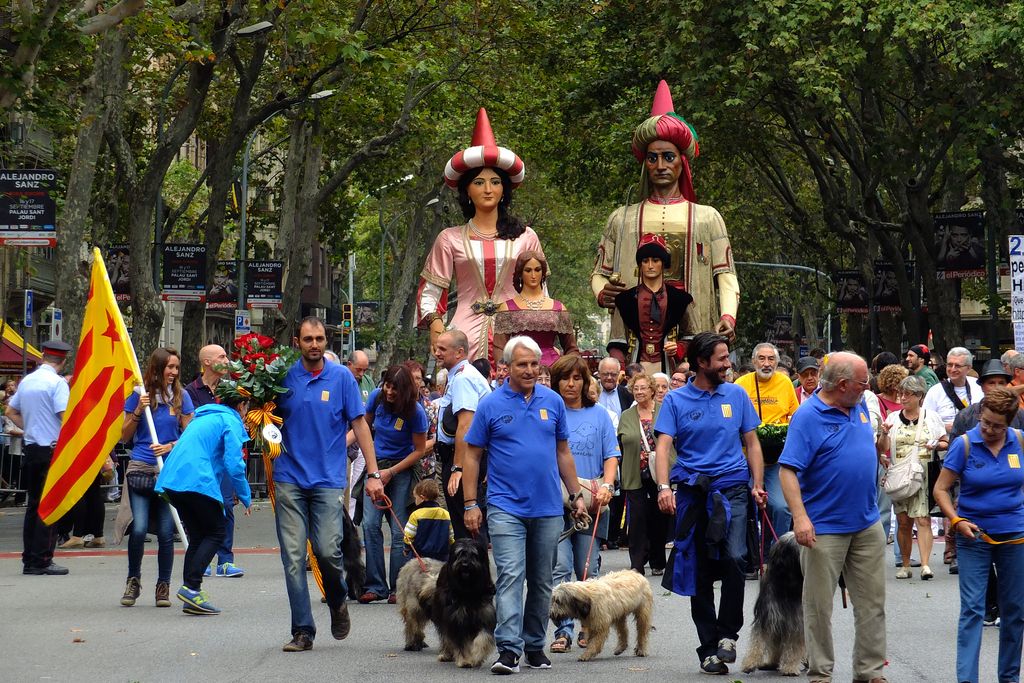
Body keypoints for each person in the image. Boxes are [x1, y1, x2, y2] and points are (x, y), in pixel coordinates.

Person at [461, 336, 588, 674]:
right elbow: (472, 455)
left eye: (535, 364)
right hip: (505, 507)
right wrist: (470, 503)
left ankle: (534, 645)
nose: (531, 370)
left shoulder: (553, 401)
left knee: (542, 580)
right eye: (523, 364)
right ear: (506, 367)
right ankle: (508, 650)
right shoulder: (490, 404)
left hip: (547, 507)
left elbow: (563, 452)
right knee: (510, 576)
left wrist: (576, 496)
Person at [593, 80, 739, 352]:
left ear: (681, 161)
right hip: (632, 334)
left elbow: (726, 275)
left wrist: (727, 317)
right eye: (652, 158)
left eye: (668, 156)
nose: (660, 165)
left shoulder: (707, 218)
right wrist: (602, 292)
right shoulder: (621, 218)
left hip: (694, 332)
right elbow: (599, 272)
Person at [654, 332, 766, 676]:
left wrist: (757, 484)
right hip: (692, 493)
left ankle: (727, 635)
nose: (728, 363)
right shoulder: (675, 401)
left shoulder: (737, 394)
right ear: (702, 363)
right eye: (721, 358)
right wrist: (663, 487)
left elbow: (752, 442)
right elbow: (662, 447)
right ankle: (708, 649)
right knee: (698, 571)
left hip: (732, 489)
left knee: (735, 558)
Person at [273, 316, 383, 653]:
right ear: (297, 342)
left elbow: (360, 426)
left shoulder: (342, 379)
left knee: (327, 552)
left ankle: (337, 601)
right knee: (293, 558)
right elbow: (264, 419)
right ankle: (303, 630)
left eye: (320, 338)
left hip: (328, 480)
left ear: (326, 341)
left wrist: (375, 474)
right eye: (308, 339)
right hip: (288, 477)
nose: (315, 344)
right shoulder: (281, 377)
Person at [778, 352, 887, 683]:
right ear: (843, 385)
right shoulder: (808, 416)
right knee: (818, 608)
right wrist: (800, 518)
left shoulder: (861, 406)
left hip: (867, 522)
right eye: (863, 381)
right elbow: (787, 470)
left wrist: (882, 442)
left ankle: (869, 673)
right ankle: (821, 674)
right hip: (824, 527)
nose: (869, 386)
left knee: (872, 605)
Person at [418, 108, 544, 363]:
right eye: (479, 182)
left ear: (504, 189)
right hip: (463, 336)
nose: (488, 189)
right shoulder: (449, 239)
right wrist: (436, 329)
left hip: (516, 333)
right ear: (467, 190)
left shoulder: (526, 237)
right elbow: (431, 292)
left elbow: (540, 291)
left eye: (495, 182)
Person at [934, 388, 1024, 683]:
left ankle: (1009, 678)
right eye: (985, 422)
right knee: (973, 610)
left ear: (1009, 423)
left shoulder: (1020, 442)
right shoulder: (964, 444)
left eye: (997, 425)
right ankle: (967, 680)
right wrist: (956, 520)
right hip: (973, 537)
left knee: (1014, 611)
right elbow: (940, 489)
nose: (988, 429)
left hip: (1015, 538)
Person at [155, 381, 252, 615]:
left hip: (173, 480)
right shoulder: (230, 420)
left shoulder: (203, 417)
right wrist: (245, 494)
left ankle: (192, 592)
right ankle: (191, 587)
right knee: (217, 531)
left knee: (198, 536)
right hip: (195, 479)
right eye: (247, 408)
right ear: (241, 406)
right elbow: (233, 463)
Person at [547, 354, 620, 654]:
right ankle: (563, 629)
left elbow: (611, 456)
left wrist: (607, 485)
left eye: (577, 378)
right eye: (565, 378)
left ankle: (589, 626)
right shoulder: (549, 412)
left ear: (585, 381)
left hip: (592, 501)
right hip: (555, 500)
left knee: (587, 569)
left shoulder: (600, 414)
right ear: (556, 382)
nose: (571, 384)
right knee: (561, 567)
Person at [115, 348, 195, 607]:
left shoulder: (181, 397)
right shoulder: (139, 395)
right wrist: (138, 410)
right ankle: (133, 580)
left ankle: (164, 585)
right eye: (169, 367)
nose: (173, 372)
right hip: (140, 468)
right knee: (138, 529)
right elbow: (124, 436)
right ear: (158, 367)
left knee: (164, 531)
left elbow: (190, 435)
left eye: (176, 368)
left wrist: (170, 446)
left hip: (167, 472)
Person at [949, 359, 1024, 626]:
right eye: (990, 382)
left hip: (1011, 509)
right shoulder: (967, 416)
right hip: (973, 501)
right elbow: (953, 462)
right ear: (982, 386)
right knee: (981, 562)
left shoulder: (1018, 417)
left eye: (1001, 382)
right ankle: (989, 604)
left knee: (1009, 566)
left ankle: (1005, 607)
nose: (995, 387)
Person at [359, 365, 428, 605]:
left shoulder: (416, 411)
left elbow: (419, 449)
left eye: (395, 389)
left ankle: (397, 587)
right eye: (387, 386)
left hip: (401, 469)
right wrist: (373, 470)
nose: (389, 392)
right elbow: (363, 428)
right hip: (375, 467)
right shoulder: (377, 398)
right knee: (369, 524)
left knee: (399, 530)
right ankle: (375, 585)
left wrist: (391, 471)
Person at [6, 339, 71, 576]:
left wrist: (31, 426)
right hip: (51, 450)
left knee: (34, 505)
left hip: (31, 447)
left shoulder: (27, 381)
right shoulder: (57, 383)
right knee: (49, 505)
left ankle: (29, 558)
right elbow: (65, 416)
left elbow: (10, 411)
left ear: (44, 356)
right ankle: (43, 558)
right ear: (63, 361)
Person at [183, 344, 245, 579]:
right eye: (222, 356)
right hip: (201, 460)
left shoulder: (231, 390)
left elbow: (238, 421)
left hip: (225, 458)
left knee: (226, 506)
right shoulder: (190, 391)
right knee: (202, 507)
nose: (227, 360)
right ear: (207, 362)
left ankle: (226, 560)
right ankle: (202, 557)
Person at [876, 375, 947, 580]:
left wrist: (935, 444)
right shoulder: (892, 419)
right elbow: (883, 448)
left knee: (923, 519)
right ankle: (905, 564)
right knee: (903, 520)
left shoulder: (931, 417)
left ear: (919, 396)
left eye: (907, 394)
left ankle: (925, 564)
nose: (903, 397)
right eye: (901, 393)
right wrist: (883, 435)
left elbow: (945, 442)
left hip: (923, 474)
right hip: (900, 474)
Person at [735, 343, 799, 549]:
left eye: (771, 359)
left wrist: (780, 432)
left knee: (781, 507)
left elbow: (794, 417)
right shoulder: (741, 384)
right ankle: (751, 555)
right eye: (762, 359)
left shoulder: (785, 383)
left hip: (776, 459)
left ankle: (778, 551)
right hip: (745, 458)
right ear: (753, 361)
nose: (766, 363)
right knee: (747, 509)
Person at [432, 330, 492, 544]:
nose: (436, 353)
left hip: (465, 460)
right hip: (461, 457)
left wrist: (458, 468)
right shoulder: (459, 375)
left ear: (459, 352)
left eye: (442, 349)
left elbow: (465, 424)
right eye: (436, 348)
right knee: (465, 528)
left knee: (468, 526)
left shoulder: (464, 378)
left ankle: (476, 576)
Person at [608, 233, 694, 373]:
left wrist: (679, 348)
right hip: (634, 368)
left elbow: (692, 337)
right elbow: (617, 340)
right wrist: (622, 370)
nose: (650, 265)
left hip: (671, 370)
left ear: (663, 264)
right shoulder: (624, 300)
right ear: (640, 265)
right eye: (645, 261)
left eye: (655, 260)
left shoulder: (681, 299)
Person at [618, 371, 673, 575]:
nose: (639, 392)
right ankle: (637, 565)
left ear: (652, 390)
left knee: (660, 517)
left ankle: (658, 561)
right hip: (635, 472)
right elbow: (621, 443)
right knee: (638, 519)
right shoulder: (626, 416)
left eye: (643, 388)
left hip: (660, 471)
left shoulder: (664, 410)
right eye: (635, 388)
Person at [492, 251, 578, 366]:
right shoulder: (507, 308)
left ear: (543, 273)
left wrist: (567, 370)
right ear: (520, 273)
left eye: (537, 270)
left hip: (553, 372)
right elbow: (499, 349)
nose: (533, 275)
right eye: (528, 270)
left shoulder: (559, 308)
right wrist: (507, 372)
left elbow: (572, 349)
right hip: (520, 370)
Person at [403, 479, 453, 562]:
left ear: (422, 498)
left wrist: (406, 548)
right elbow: (451, 535)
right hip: (442, 557)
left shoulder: (416, 515)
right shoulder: (446, 514)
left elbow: (409, 535)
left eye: (415, 497)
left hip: (421, 556)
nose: (415, 500)